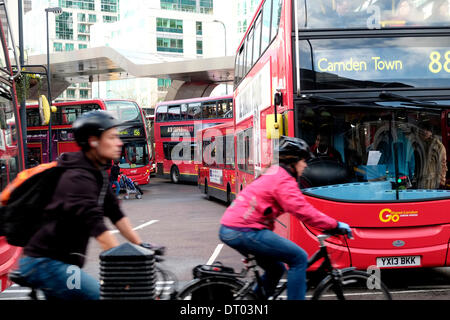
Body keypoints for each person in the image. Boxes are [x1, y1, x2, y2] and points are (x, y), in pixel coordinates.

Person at [16, 110, 147, 300]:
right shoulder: (77, 179)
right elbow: (99, 231)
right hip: (46, 262)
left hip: (63, 263)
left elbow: (115, 213)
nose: (120, 143)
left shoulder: (97, 172)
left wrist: (141, 246)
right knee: (102, 297)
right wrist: (124, 267)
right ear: (93, 141)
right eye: (112, 137)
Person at [218, 136, 352, 300]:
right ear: (293, 161)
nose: (305, 165)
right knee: (299, 258)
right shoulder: (283, 179)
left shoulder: (274, 172)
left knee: (276, 269)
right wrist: (334, 224)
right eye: (303, 161)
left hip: (233, 228)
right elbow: (303, 211)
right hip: (244, 230)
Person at [416, 121, 447, 189]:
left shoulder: (438, 146)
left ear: (431, 132)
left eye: (427, 130)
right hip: (419, 180)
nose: (424, 131)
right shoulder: (418, 144)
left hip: (432, 182)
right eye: (422, 129)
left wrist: (442, 181)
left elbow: (443, 164)